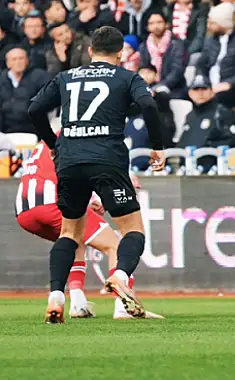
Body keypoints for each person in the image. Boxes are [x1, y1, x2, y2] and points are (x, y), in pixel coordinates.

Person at [27, 26, 167, 324]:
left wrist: (54, 145)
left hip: (70, 161)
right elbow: (148, 104)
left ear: (90, 51)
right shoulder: (127, 76)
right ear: (121, 53)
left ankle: (56, 296)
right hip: (108, 159)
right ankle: (120, 276)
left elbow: (35, 108)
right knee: (132, 230)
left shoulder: (67, 76)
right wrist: (157, 147)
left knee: (69, 233)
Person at [15, 140, 164, 320]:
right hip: (51, 203)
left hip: (24, 210)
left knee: (73, 240)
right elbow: (87, 166)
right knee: (115, 246)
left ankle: (77, 304)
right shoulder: (74, 135)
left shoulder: (45, 142)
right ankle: (123, 308)